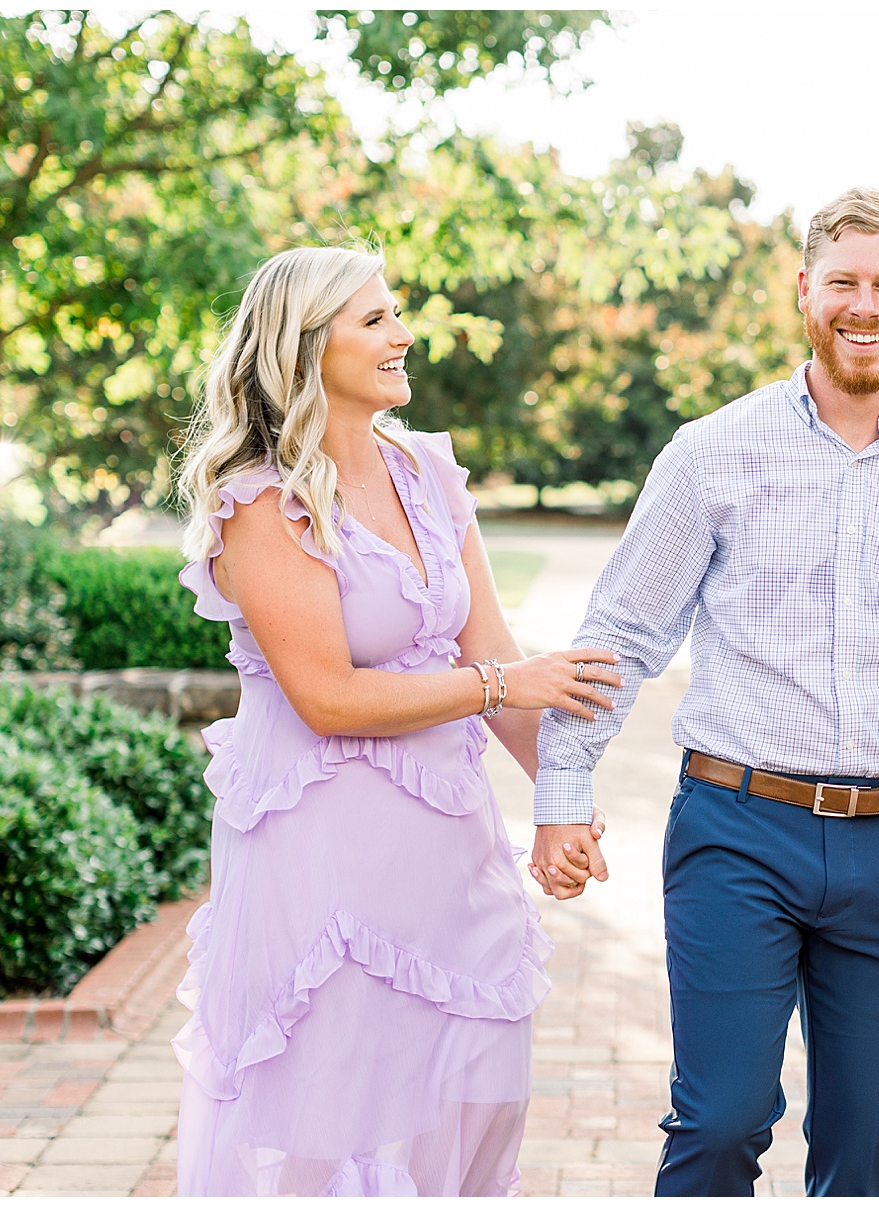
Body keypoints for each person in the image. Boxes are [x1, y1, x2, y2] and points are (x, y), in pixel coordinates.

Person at [529, 188, 879, 1196]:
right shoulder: (711, 452)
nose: (865, 306)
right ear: (804, 289)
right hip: (736, 830)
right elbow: (623, 635)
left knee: (864, 1148)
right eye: (844, 282)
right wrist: (561, 794)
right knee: (721, 1121)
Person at [169, 245, 620, 1196]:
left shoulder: (429, 473)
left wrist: (565, 800)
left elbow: (484, 644)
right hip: (324, 866)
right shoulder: (259, 499)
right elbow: (328, 696)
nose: (402, 334)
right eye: (373, 320)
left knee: (479, 1096)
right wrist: (505, 683)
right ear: (304, 344)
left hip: (453, 855)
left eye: (396, 313)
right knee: (340, 1126)